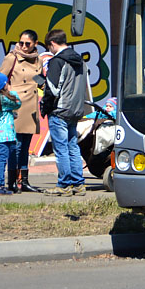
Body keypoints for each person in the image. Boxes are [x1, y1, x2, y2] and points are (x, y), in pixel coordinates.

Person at [42, 28, 89, 196]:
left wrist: (45, 106)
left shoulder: (57, 61)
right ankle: (78, 184)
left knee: (61, 148)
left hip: (59, 110)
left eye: (49, 47)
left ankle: (64, 184)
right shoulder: (80, 60)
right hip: (75, 109)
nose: (49, 51)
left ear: (53, 44)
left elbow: (53, 90)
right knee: (73, 146)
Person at [0, 29, 44, 192]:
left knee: (26, 146)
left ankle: (24, 181)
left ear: (35, 44)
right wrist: (8, 95)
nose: (23, 46)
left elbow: (40, 79)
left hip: (31, 106)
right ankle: (12, 181)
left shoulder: (38, 59)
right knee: (16, 145)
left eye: (27, 44)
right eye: (21, 43)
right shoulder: (12, 57)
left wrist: (46, 88)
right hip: (16, 104)